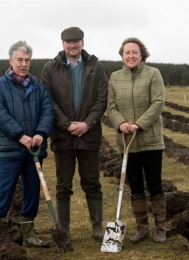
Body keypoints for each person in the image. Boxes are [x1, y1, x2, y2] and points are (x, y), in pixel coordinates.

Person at [42, 27, 108, 242]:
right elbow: (48, 101)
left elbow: (101, 99)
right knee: (63, 184)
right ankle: (64, 230)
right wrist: (66, 124)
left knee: (92, 182)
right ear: (62, 44)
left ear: (82, 42)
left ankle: (98, 228)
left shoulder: (95, 67)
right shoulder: (50, 68)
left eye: (77, 41)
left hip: (89, 136)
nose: (73, 45)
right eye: (69, 42)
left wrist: (87, 124)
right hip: (63, 137)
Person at [0, 40, 54, 247]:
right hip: (11, 149)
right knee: (4, 190)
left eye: (27, 60)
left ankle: (29, 234)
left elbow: (47, 110)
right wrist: (20, 135)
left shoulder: (37, 85)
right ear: (11, 61)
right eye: (20, 60)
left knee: (33, 191)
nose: (24, 64)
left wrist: (41, 134)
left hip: (34, 149)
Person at [106, 37, 167, 243]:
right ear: (122, 56)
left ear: (142, 54)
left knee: (154, 183)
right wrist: (121, 123)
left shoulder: (153, 74)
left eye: (134, 52)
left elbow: (158, 102)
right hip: (126, 142)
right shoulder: (114, 77)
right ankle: (142, 228)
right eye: (126, 53)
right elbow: (111, 107)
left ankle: (160, 228)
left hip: (149, 139)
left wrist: (139, 124)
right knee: (135, 186)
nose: (130, 56)